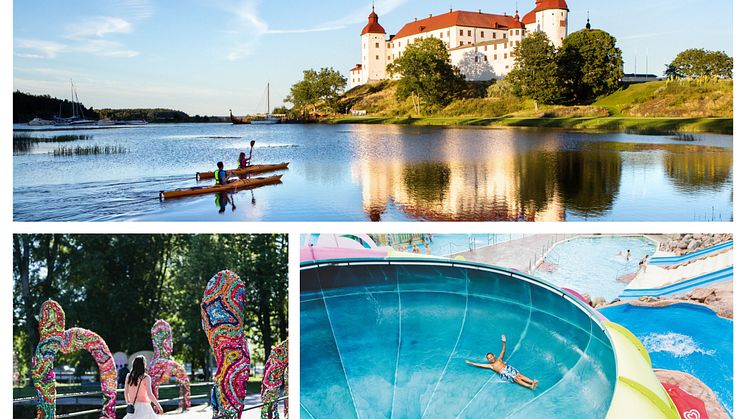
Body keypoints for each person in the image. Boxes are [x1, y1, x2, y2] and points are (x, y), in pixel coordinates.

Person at [465, 335, 538, 390]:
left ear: (494, 356)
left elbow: (503, 350)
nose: (491, 359)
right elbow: (480, 365)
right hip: (504, 373)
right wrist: (471, 363)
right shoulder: (491, 366)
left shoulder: (499, 359)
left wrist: (504, 342)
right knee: (516, 378)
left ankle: (532, 382)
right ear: (488, 360)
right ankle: (530, 386)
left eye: (491, 357)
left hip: (508, 368)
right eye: (489, 358)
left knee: (520, 375)